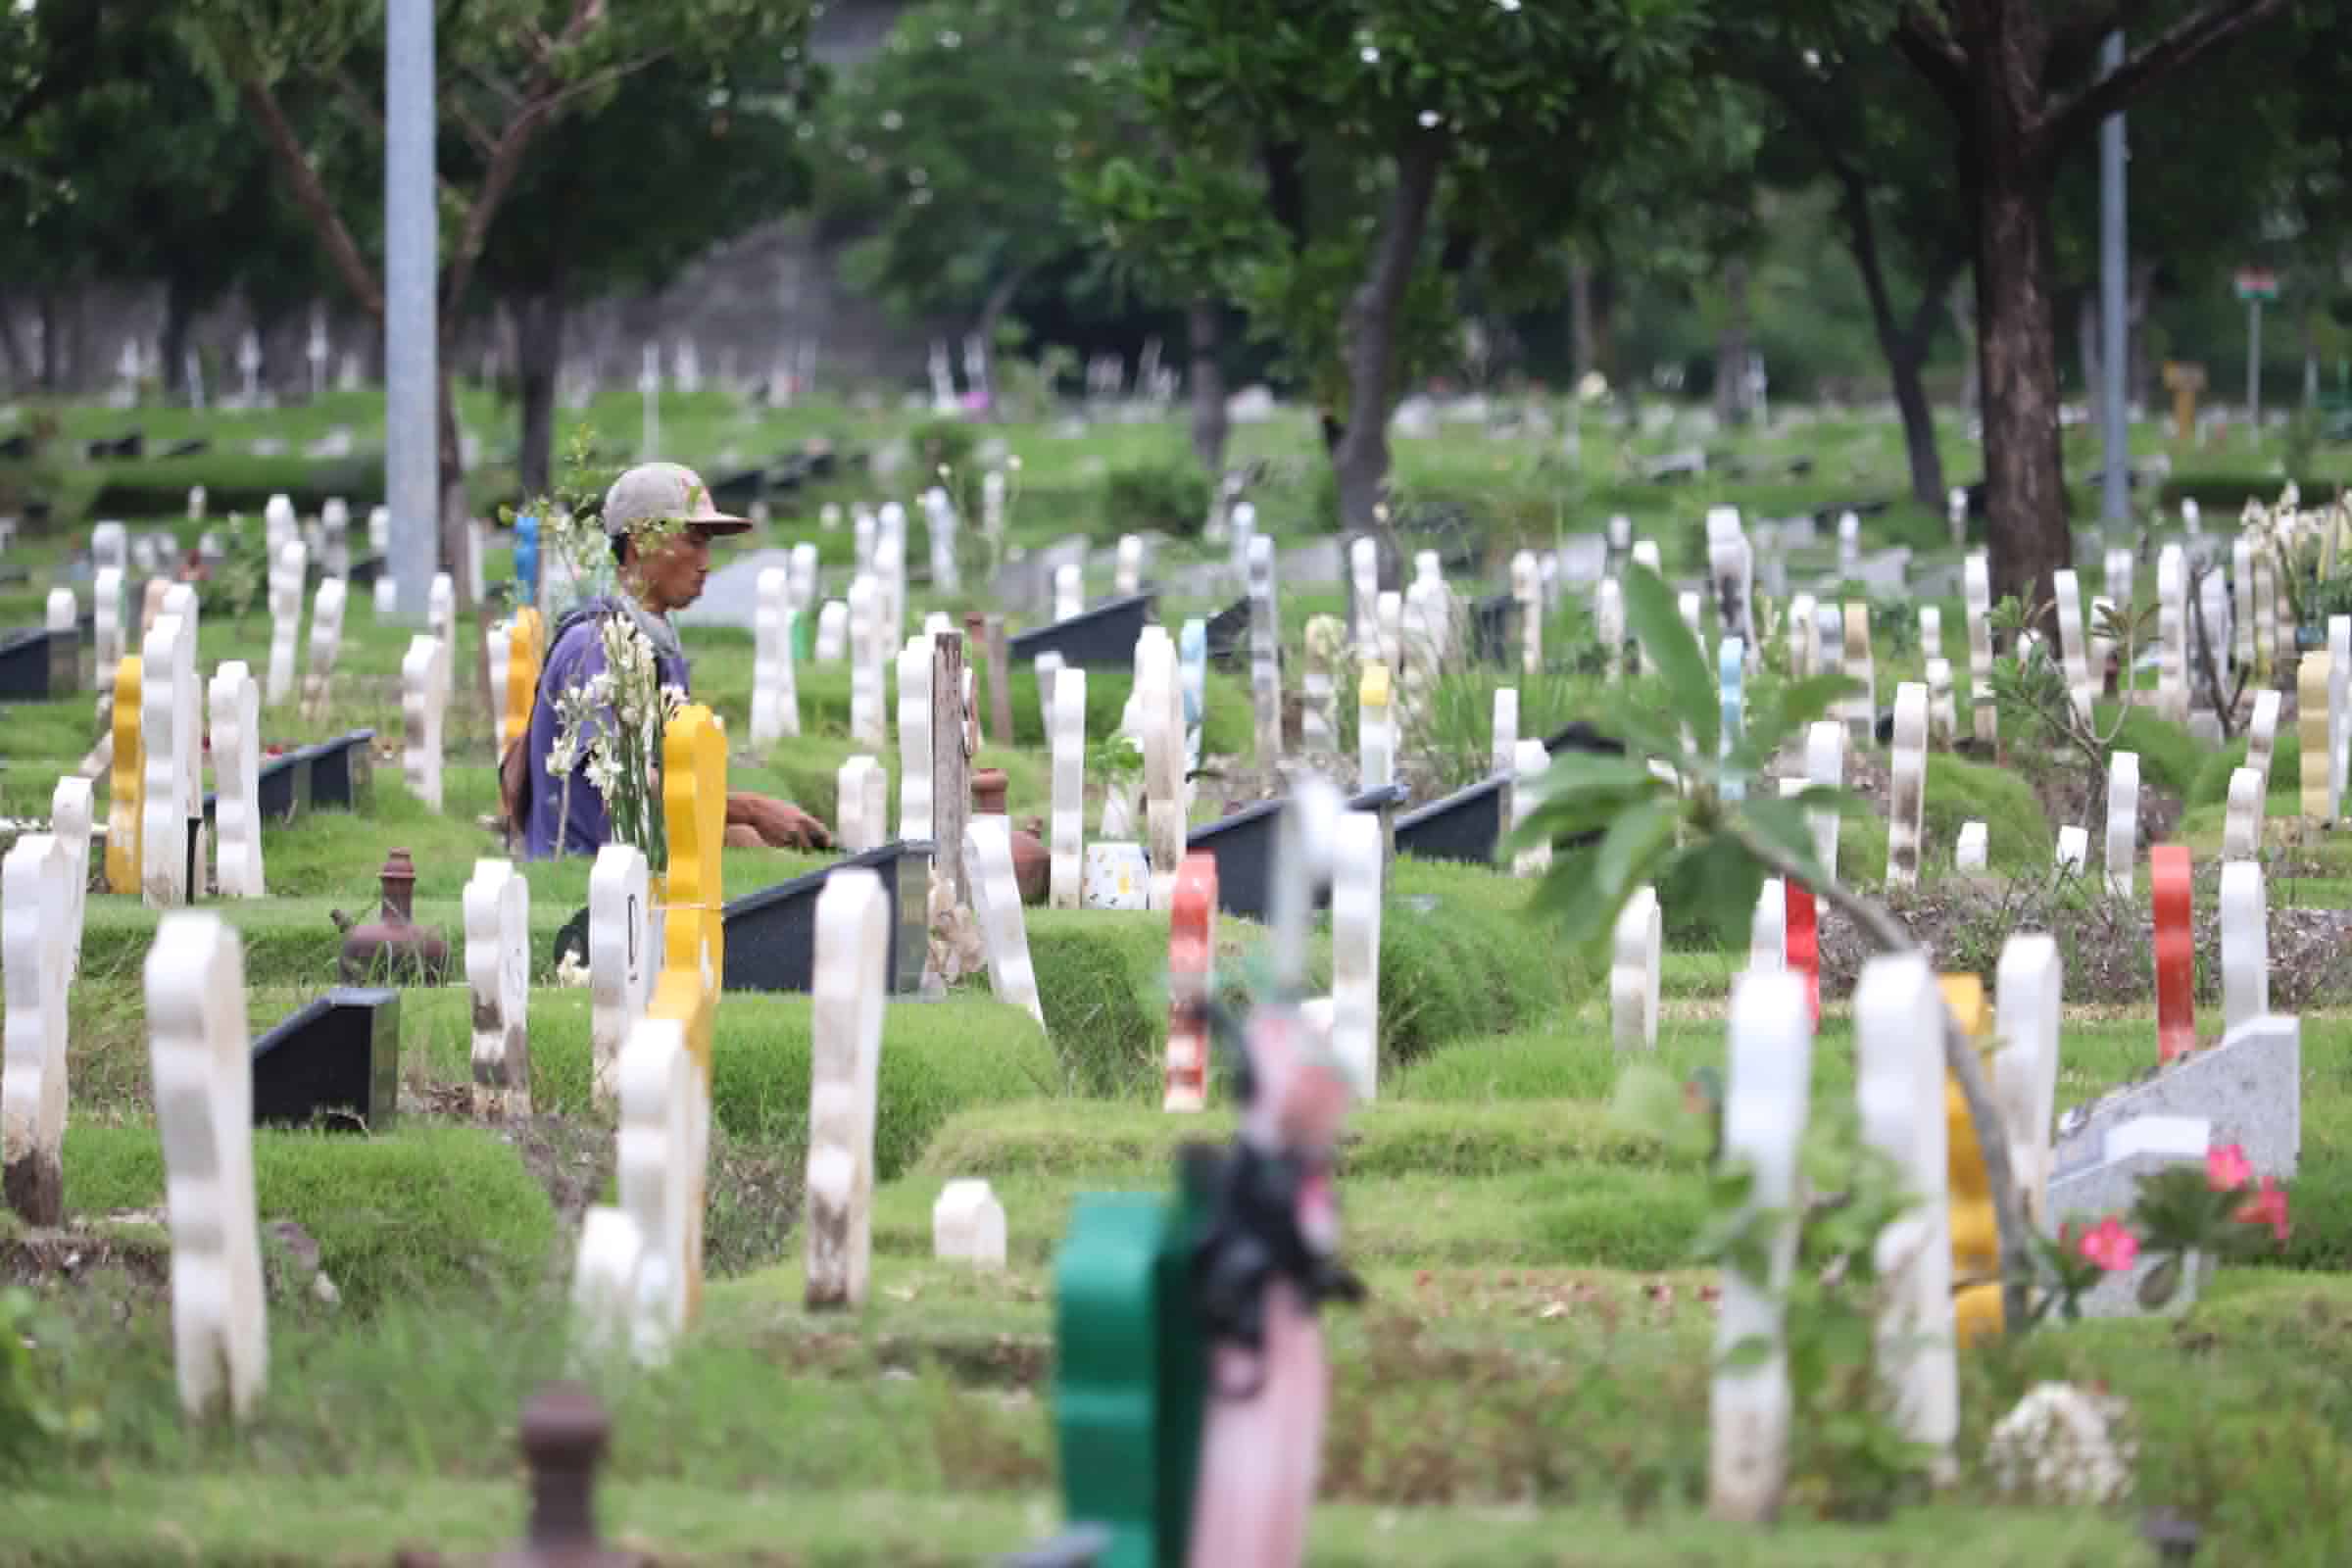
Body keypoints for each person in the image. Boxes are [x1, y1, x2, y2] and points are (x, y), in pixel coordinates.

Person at [514, 461, 832, 858]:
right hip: (591, 881)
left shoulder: (658, 644)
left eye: (708, 544)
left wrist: (737, 826)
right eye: (693, 541)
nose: (706, 563)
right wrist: (750, 810)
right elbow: (623, 781)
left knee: (747, 844)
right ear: (639, 543)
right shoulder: (595, 646)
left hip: (639, 865)